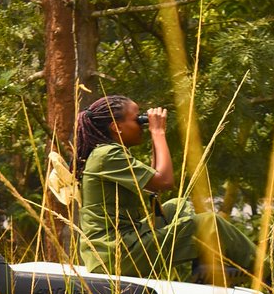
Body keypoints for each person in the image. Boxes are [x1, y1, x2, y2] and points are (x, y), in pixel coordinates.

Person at [75, 95, 257, 282]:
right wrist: (158, 132)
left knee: (176, 206)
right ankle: (270, 274)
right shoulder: (107, 155)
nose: (142, 125)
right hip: (115, 254)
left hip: (116, 247)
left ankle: (207, 266)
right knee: (209, 223)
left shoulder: (108, 153)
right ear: (116, 127)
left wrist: (156, 136)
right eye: (138, 119)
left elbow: (154, 185)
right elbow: (165, 180)